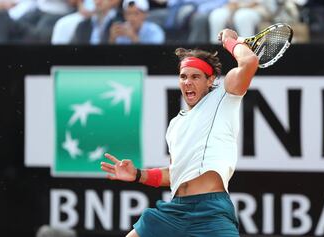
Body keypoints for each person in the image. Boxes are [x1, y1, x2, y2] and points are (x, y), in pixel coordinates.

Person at [100, 27, 259, 237]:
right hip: (174, 211)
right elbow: (175, 174)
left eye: (195, 77)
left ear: (210, 80)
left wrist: (230, 41)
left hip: (211, 212)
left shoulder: (224, 97)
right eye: (183, 76)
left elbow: (249, 62)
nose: (188, 82)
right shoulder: (175, 124)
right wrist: (138, 175)